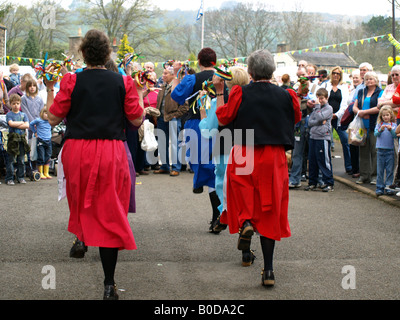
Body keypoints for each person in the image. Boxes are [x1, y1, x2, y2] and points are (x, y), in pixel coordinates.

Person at [46, 29, 145, 300]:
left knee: (83, 205)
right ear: (108, 54)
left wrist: (49, 90)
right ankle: (109, 283)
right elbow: (136, 120)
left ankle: (81, 239)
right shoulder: (123, 82)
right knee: (110, 210)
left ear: (83, 53)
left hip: (78, 150)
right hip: (111, 149)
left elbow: (53, 118)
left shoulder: (70, 80)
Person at [215, 49, 301, 287]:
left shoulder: (239, 92)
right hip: (273, 154)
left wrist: (220, 92)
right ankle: (269, 270)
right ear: (272, 70)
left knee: (242, 194)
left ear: (250, 71)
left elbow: (223, 118)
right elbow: (295, 118)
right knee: (270, 208)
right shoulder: (288, 95)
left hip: (244, 148)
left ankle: (245, 223)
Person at [171, 48, 221, 231]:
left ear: (199, 61)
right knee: (214, 165)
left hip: (197, 125)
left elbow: (176, 96)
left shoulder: (191, 79)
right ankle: (202, 184)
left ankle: (200, 183)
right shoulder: (223, 78)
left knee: (202, 163)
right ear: (215, 61)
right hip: (219, 125)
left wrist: (177, 76)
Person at [199, 66, 250, 240]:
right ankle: (244, 222)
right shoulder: (250, 98)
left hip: (224, 142)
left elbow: (208, 129)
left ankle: (224, 213)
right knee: (244, 185)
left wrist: (202, 110)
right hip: (246, 142)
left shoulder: (219, 100)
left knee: (222, 180)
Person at [154, 66, 188, 176]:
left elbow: (184, 106)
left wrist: (175, 116)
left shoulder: (178, 87)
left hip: (172, 118)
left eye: (165, 73)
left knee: (175, 144)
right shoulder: (162, 86)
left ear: (173, 75)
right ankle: (164, 166)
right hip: (161, 118)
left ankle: (176, 167)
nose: (163, 75)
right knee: (162, 143)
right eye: (163, 73)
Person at [352, 71, 383, 185]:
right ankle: (364, 175)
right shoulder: (361, 91)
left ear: (376, 80)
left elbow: (379, 107)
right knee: (363, 151)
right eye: (367, 79)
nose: (369, 81)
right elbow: (354, 106)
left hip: (374, 124)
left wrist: (364, 112)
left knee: (374, 150)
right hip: (361, 125)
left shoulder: (380, 92)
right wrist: (359, 112)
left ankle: (374, 176)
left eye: (371, 79)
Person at [288, 66, 314, 188]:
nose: (301, 79)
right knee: (297, 153)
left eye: (303, 76)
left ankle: (316, 180)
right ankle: (295, 179)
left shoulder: (315, 88)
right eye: (299, 77)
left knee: (313, 152)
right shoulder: (293, 89)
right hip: (298, 123)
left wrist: (312, 103)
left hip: (313, 124)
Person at [305, 88, 334, 192]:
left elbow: (320, 117)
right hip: (313, 137)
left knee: (323, 160)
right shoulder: (316, 109)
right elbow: (310, 122)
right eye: (318, 98)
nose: (319, 100)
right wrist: (318, 119)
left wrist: (318, 112)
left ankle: (328, 182)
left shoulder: (328, 108)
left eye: (321, 98)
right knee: (312, 161)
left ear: (326, 98)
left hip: (322, 138)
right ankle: (313, 182)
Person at [325, 66, 351, 174]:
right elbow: (322, 99)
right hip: (326, 118)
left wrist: (337, 115)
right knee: (326, 142)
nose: (336, 75)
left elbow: (345, 104)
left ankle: (349, 166)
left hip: (338, 119)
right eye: (334, 73)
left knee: (345, 141)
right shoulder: (326, 85)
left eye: (338, 73)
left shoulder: (343, 88)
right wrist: (328, 114)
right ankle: (327, 167)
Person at [5, 94, 30, 185]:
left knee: (21, 160)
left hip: (22, 139)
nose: (16, 105)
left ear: (20, 104)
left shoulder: (23, 114)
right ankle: (9, 178)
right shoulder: (9, 114)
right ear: (10, 104)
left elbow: (27, 125)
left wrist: (18, 124)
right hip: (12, 140)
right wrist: (21, 123)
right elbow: (11, 124)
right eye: (14, 103)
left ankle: (20, 177)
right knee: (11, 160)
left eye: (17, 103)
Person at [374, 105, 397, 196]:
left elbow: (395, 136)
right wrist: (380, 130)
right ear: (381, 116)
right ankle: (379, 187)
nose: (385, 117)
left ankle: (388, 187)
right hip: (380, 151)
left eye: (387, 115)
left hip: (390, 151)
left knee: (389, 170)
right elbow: (376, 134)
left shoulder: (393, 125)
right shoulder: (379, 125)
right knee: (380, 170)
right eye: (383, 115)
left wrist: (391, 130)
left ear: (391, 115)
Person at [29, 107, 52, 180]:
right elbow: (31, 124)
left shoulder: (50, 121)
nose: (47, 115)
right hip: (41, 140)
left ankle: (46, 172)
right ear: (42, 113)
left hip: (48, 140)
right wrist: (35, 131)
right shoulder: (38, 120)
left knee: (48, 156)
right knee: (41, 156)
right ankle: (41, 172)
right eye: (46, 113)